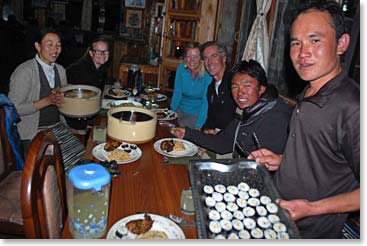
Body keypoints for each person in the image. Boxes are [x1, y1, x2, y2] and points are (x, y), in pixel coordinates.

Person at [249, 0, 359, 238]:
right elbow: (325, 156)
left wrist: (311, 208)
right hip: (279, 218)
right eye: (296, 43)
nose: (302, 53)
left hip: (312, 232)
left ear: (342, 44)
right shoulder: (310, 91)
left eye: (315, 40)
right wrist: (282, 160)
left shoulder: (353, 107)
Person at [173, 59, 293, 158]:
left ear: (261, 89)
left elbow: (269, 172)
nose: (240, 93)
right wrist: (188, 133)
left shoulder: (276, 118)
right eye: (235, 87)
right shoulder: (246, 109)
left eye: (247, 86)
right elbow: (224, 143)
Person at [8, 29, 66, 154]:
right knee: (53, 167)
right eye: (50, 44)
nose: (55, 49)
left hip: (57, 128)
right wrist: (47, 101)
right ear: (37, 46)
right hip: (33, 133)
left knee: (82, 158)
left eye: (58, 45)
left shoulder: (60, 70)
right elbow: (13, 109)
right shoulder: (24, 72)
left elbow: (62, 102)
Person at [170, 42, 212, 129]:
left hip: (196, 114)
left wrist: (199, 124)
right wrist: (170, 114)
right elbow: (177, 94)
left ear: (201, 58)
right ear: (185, 58)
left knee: (179, 128)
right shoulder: (181, 69)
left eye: (195, 57)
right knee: (166, 125)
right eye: (189, 57)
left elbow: (206, 102)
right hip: (180, 110)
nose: (192, 60)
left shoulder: (207, 74)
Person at [200, 41, 237, 134]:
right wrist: (203, 132)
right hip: (217, 138)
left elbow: (239, 121)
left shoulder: (234, 83)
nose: (209, 62)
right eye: (206, 58)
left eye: (214, 56)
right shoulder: (211, 88)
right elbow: (211, 119)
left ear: (224, 58)